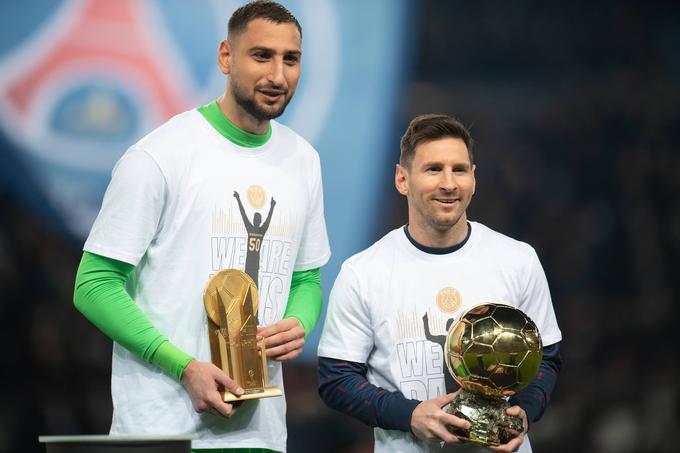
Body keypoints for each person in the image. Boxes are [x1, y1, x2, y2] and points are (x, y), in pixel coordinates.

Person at [73, 2, 330, 452]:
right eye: (261, 56)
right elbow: (93, 285)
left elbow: (306, 277)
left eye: (291, 59)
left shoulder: (303, 160)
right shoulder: (160, 155)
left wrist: (298, 320)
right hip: (163, 429)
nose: (278, 75)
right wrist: (184, 366)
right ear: (226, 57)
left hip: (263, 433)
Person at [318, 114, 562, 453]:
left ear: (473, 179)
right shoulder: (362, 272)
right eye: (433, 169)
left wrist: (525, 413)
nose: (449, 183)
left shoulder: (518, 260)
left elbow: (546, 356)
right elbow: (336, 380)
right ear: (402, 179)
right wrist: (409, 415)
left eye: (459, 170)